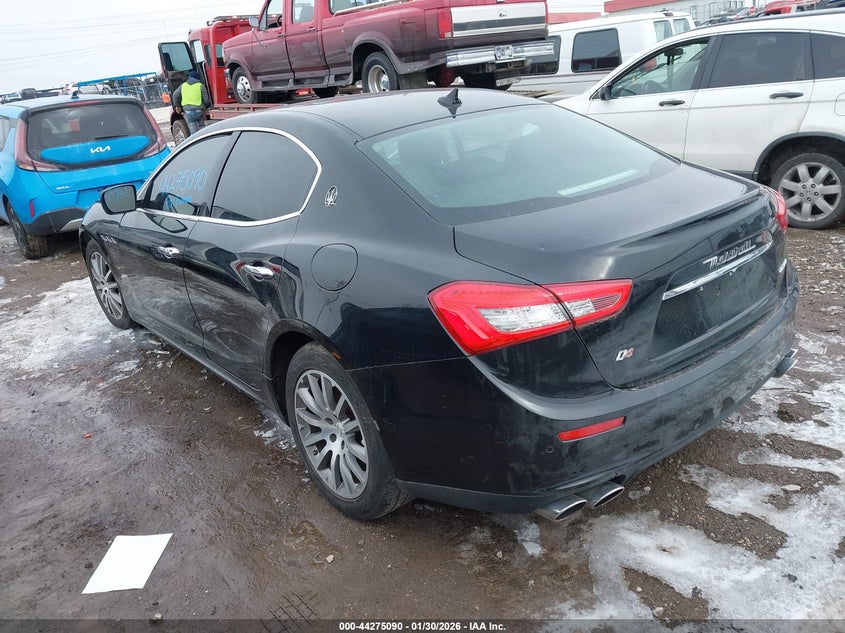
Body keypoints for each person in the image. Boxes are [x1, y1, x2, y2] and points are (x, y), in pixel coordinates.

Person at [172, 70, 211, 135]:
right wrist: (205, 106)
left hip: (188, 112)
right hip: (199, 110)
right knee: (202, 127)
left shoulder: (183, 85)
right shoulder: (201, 85)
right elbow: (206, 100)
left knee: (193, 130)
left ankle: (196, 142)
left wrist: (177, 105)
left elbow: (175, 95)